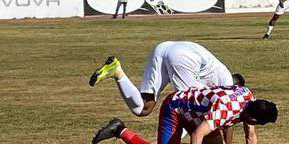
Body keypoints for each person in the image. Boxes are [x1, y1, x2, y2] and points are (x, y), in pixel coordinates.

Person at [93, 84, 278, 144]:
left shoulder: (251, 100)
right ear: (253, 118)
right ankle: (120, 129)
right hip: (176, 108)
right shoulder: (225, 110)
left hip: (198, 114)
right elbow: (197, 135)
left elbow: (250, 135)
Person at [89, 41, 236, 117]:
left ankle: (117, 72)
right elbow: (226, 117)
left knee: (143, 109)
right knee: (187, 107)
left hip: (163, 48)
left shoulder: (219, 76)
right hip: (183, 55)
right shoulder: (228, 84)